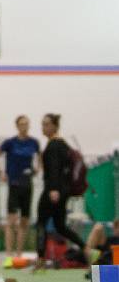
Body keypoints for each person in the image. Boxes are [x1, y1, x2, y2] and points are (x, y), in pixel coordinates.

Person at [35, 113, 89, 270]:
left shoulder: (54, 145)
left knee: (41, 223)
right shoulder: (64, 145)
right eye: (42, 124)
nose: (43, 127)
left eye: (46, 124)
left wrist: (53, 189)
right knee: (60, 226)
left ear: (54, 126)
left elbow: (54, 169)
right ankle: (85, 247)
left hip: (53, 190)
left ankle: (40, 260)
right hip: (63, 191)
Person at [0, 115, 40, 266]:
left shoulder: (34, 142)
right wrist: (0, 172)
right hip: (13, 184)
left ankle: (19, 255)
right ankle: (8, 255)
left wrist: (38, 169)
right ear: (17, 126)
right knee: (11, 220)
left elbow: (40, 158)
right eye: (21, 124)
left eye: (26, 124)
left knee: (24, 221)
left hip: (27, 185)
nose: (24, 126)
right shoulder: (10, 143)